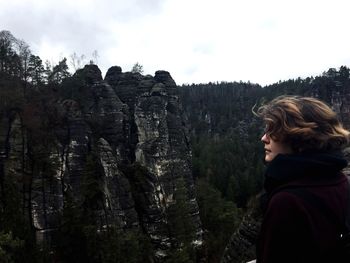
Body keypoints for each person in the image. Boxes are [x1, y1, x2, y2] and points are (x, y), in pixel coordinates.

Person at [255, 95, 350, 263]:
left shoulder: (287, 202)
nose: (264, 138)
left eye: (272, 131)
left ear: (299, 138)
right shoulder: (341, 182)